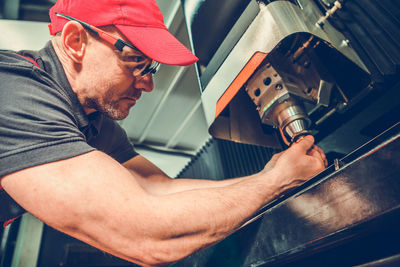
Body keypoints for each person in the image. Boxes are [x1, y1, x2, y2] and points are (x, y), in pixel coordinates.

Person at [0, 0, 327, 265]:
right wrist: (276, 182)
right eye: (137, 62)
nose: (148, 83)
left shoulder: (94, 124)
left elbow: (159, 189)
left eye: (152, 68)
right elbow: (143, 234)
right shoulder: (14, 90)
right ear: (76, 42)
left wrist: (271, 174)